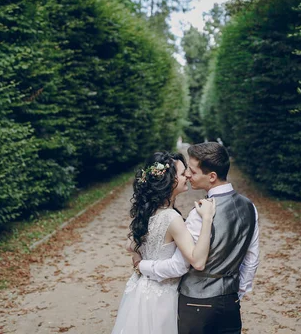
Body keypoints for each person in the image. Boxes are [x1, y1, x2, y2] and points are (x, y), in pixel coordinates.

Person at [135, 142, 260, 334]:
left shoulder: (199, 213)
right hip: (230, 302)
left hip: (196, 304)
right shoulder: (249, 207)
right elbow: (251, 258)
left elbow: (180, 265)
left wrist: (141, 265)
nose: (188, 175)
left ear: (211, 176)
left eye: (192, 171)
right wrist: (237, 292)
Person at [111, 151, 216, 334]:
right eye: (183, 174)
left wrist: (139, 262)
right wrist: (207, 219)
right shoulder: (171, 218)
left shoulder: (147, 212)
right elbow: (197, 261)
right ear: (169, 180)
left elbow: (130, 244)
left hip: (140, 290)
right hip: (162, 296)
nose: (187, 177)